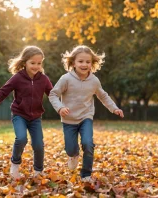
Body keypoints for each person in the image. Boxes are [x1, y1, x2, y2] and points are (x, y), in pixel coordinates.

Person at [49, 45, 124, 183]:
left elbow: (103, 96)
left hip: (86, 117)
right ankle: (73, 155)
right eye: (80, 61)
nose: (84, 64)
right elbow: (53, 94)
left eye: (88, 62)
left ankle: (86, 174)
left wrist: (114, 108)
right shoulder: (66, 79)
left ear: (92, 63)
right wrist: (60, 108)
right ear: (73, 63)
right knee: (71, 149)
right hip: (69, 119)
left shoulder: (94, 81)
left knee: (88, 143)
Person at [0, 46, 53, 180]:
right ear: (25, 62)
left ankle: (38, 171)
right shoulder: (17, 78)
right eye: (33, 63)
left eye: (39, 63)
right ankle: (15, 163)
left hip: (36, 117)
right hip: (19, 115)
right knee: (21, 138)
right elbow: (2, 92)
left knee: (38, 144)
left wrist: (62, 107)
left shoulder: (44, 79)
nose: (36, 66)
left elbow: (53, 96)